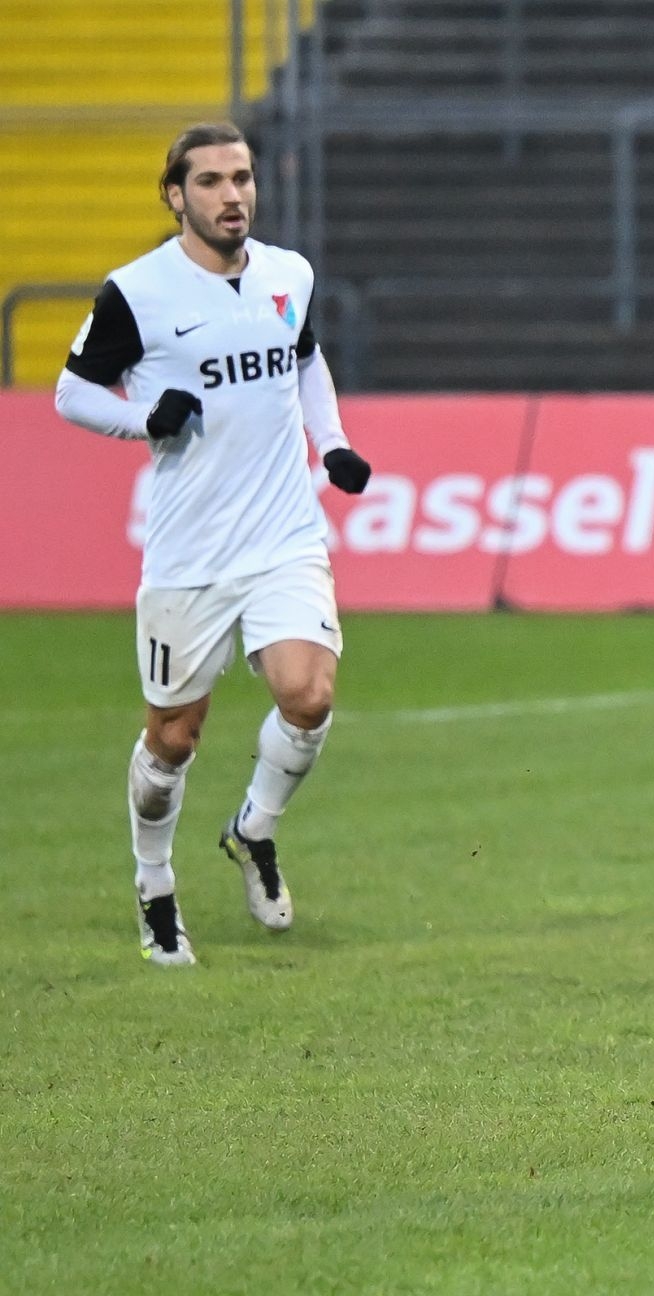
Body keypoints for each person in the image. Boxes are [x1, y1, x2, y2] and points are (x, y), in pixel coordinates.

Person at [54, 122, 372, 967]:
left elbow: (304, 359)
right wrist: (143, 420)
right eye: (211, 182)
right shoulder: (137, 292)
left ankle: (253, 830)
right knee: (174, 738)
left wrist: (331, 443)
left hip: (283, 534)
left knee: (309, 695)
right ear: (175, 195)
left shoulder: (288, 274)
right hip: (190, 553)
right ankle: (154, 884)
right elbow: (70, 393)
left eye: (242, 178)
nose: (232, 195)